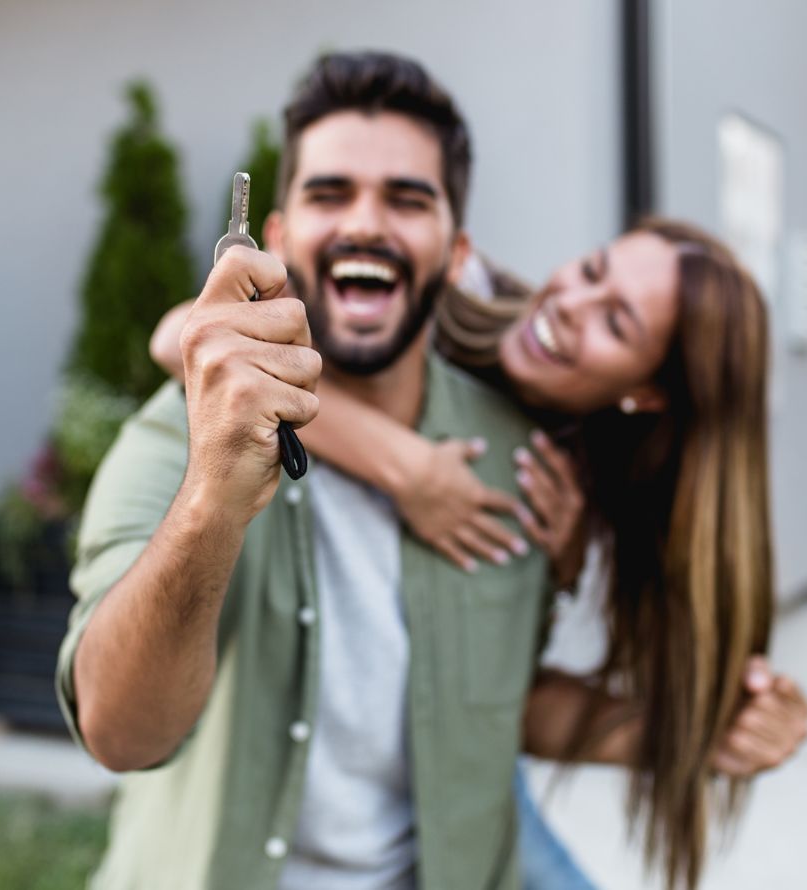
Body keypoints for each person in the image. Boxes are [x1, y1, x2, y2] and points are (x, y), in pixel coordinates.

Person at [61, 51, 613, 889]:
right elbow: (119, 733)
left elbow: (510, 707)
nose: (366, 223)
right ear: (277, 239)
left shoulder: (520, 460)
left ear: (456, 250)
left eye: (407, 197)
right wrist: (212, 498)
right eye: (329, 194)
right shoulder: (173, 436)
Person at [151, 219, 807, 890]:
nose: (566, 304)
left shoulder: (600, 479)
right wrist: (407, 469)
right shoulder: (456, 291)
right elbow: (179, 331)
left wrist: (723, 730)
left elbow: (505, 698)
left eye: (615, 323)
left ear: (647, 394)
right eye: (591, 271)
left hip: (461, 747)